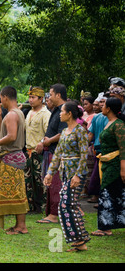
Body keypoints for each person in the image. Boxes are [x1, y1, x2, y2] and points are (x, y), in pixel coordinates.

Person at [44, 101, 90, 252]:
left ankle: (80, 241)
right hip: (65, 173)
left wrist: (77, 175)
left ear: (69, 114)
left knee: (66, 204)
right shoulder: (64, 132)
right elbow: (57, 155)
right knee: (68, 206)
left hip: (76, 174)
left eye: (62, 111)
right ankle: (79, 241)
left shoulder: (80, 131)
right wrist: (50, 173)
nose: (60, 114)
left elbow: (84, 155)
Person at [0, 86, 29, 235]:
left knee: (16, 192)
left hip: (11, 157)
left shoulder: (12, 115)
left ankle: (21, 226)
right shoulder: (17, 113)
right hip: (14, 156)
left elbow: (11, 136)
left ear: (4, 97)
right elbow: (2, 132)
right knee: (15, 191)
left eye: (1, 98)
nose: (0, 101)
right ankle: (18, 225)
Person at [91, 97, 125, 237]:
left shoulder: (119, 125)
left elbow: (123, 148)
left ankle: (105, 227)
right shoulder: (109, 122)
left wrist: (123, 168)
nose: (101, 106)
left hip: (115, 164)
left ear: (109, 108)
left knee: (106, 192)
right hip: (106, 162)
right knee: (114, 193)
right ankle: (107, 225)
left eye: (103, 104)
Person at [37, 83, 68, 224]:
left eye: (51, 94)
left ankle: (55, 215)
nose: (49, 96)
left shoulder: (65, 109)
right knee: (51, 183)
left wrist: (49, 140)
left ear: (58, 95)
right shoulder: (57, 110)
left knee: (56, 184)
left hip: (58, 152)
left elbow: (63, 133)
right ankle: (51, 213)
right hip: (51, 151)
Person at [24, 87, 51, 213]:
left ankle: (45, 206)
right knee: (28, 181)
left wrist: (41, 143)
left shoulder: (46, 114)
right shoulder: (29, 112)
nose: (30, 100)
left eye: (33, 97)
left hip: (39, 152)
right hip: (28, 151)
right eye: (29, 97)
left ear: (41, 99)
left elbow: (48, 133)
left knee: (41, 181)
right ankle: (31, 206)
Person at [87, 94, 108, 205]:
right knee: (96, 175)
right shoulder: (97, 117)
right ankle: (96, 197)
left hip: (109, 151)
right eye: (101, 102)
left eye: (104, 102)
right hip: (98, 149)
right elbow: (91, 134)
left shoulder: (113, 118)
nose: (101, 104)